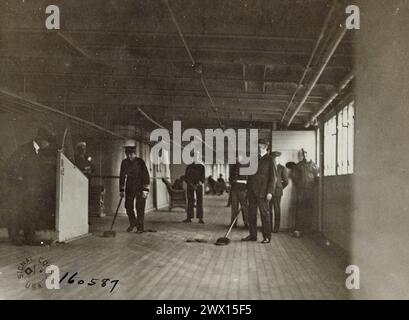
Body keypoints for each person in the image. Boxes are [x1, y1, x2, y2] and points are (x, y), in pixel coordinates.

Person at [5, 127, 55, 245]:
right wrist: (19, 177)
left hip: (31, 189)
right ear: (40, 139)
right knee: (17, 212)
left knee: (30, 211)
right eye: (47, 141)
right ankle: (15, 238)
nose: (48, 144)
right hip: (20, 189)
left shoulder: (38, 152)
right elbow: (9, 165)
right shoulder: (24, 150)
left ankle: (29, 236)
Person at [242, 139, 277, 244]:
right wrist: (247, 191)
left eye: (261, 146)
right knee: (251, 214)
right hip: (252, 192)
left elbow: (273, 178)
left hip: (263, 192)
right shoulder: (254, 159)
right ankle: (253, 235)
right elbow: (250, 177)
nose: (259, 148)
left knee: (265, 215)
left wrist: (270, 192)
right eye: (258, 146)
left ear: (266, 147)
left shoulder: (270, 160)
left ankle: (267, 237)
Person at [119, 140, 150, 233]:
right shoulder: (124, 162)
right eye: (128, 154)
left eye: (131, 154)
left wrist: (145, 189)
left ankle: (140, 227)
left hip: (140, 186)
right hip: (129, 186)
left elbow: (146, 176)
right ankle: (133, 223)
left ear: (134, 154)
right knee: (128, 207)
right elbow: (122, 176)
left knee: (140, 207)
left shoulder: (140, 162)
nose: (129, 156)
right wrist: (121, 189)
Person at [292, 148, 318, 236]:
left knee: (309, 209)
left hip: (310, 191)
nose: (305, 155)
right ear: (302, 155)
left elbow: (316, 176)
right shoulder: (298, 165)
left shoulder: (314, 165)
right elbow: (294, 177)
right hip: (301, 191)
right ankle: (298, 229)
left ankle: (308, 230)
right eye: (304, 154)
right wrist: (299, 185)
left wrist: (312, 186)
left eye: (307, 153)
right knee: (299, 209)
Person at [269, 151, 289, 233]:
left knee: (276, 209)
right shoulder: (269, 167)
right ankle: (269, 227)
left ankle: (276, 228)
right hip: (269, 192)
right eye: (273, 158)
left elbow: (286, 182)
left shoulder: (282, 168)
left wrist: (280, 187)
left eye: (276, 158)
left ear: (278, 158)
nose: (274, 159)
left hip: (277, 192)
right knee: (269, 209)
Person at [183, 151, 205, 224]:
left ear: (199, 157)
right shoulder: (189, 166)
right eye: (194, 156)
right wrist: (190, 184)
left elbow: (203, 178)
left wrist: (198, 184)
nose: (196, 157)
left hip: (199, 186)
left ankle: (200, 218)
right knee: (190, 201)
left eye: (197, 155)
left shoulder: (201, 166)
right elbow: (186, 177)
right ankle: (189, 217)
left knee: (199, 201)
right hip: (190, 186)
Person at [229, 154, 249, 228]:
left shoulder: (246, 166)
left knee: (244, 207)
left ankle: (246, 223)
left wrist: (247, 188)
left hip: (243, 189)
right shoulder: (233, 167)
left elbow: (248, 179)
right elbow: (230, 178)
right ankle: (233, 223)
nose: (237, 158)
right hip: (234, 189)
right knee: (234, 207)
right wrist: (232, 182)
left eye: (239, 157)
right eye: (236, 157)